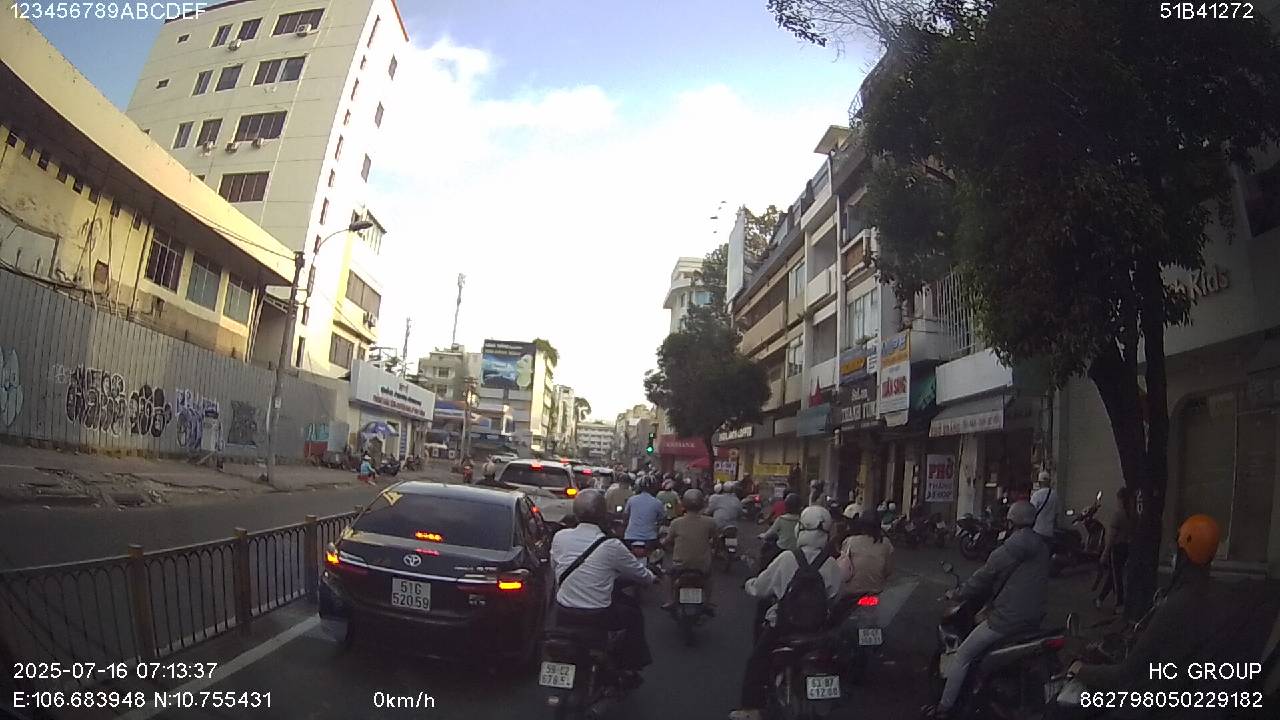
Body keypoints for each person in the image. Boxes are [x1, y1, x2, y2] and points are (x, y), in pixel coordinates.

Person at [926, 500, 1050, 719]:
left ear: (1010, 522)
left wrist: (957, 594)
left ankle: (945, 708)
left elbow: (982, 578)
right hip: (1034, 618)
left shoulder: (1008, 549)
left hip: (1007, 618)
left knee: (963, 655)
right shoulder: (1042, 548)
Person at [729, 505, 847, 720]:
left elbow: (762, 588)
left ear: (800, 529)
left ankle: (751, 708)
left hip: (783, 627)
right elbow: (835, 596)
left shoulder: (787, 558)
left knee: (757, 661)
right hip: (818, 630)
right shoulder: (831, 564)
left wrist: (749, 584)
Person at [550, 489, 657, 680]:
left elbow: (555, 567)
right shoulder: (611, 545)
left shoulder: (560, 537)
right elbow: (640, 573)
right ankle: (630, 665)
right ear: (603, 514)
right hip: (598, 615)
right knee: (633, 614)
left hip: (563, 611)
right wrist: (652, 577)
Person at [661, 489, 718, 610]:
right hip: (702, 565)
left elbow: (668, 541)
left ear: (684, 504)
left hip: (680, 565)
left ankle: (670, 600)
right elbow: (715, 539)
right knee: (709, 578)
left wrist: (662, 544)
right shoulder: (710, 522)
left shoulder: (676, 523)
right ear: (702, 504)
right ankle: (707, 602)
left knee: (668, 575)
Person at [837, 504, 894, 597]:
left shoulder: (850, 541)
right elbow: (888, 571)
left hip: (850, 593)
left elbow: (841, 566)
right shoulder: (886, 543)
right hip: (875, 592)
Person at [1094, 486, 1132, 613]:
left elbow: (1111, 537)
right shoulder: (1131, 514)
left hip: (1117, 548)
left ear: (1120, 499)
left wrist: (1105, 552)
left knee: (1116, 577)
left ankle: (1119, 603)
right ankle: (1100, 598)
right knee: (1113, 575)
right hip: (1126, 547)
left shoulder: (1118, 515)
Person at [623, 476, 666, 550]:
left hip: (630, 537)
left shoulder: (631, 500)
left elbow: (625, 516)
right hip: (650, 538)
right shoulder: (657, 503)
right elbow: (662, 519)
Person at [1029, 470, 1060, 540]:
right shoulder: (1055, 495)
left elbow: (1031, 512)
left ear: (1039, 482)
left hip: (1037, 530)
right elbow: (1056, 514)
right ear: (1049, 481)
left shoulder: (1036, 495)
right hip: (1049, 532)